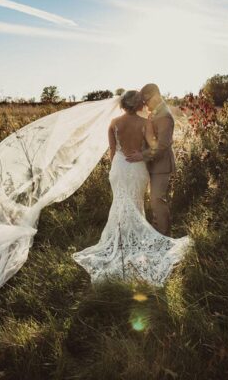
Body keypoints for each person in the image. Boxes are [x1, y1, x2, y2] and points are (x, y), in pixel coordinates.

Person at [71, 90, 190, 286]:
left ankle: (121, 238)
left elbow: (112, 150)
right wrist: (142, 153)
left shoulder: (113, 123)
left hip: (119, 167)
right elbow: (153, 146)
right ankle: (135, 238)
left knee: (119, 203)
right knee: (135, 203)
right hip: (136, 167)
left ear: (123, 104)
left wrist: (116, 167)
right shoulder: (145, 123)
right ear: (138, 105)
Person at [125, 83, 175, 236]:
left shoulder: (164, 116)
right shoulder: (155, 113)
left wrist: (141, 155)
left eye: (147, 100)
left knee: (157, 199)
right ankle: (157, 232)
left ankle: (164, 235)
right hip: (153, 164)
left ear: (156, 96)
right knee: (154, 201)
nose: (145, 105)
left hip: (162, 166)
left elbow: (162, 145)